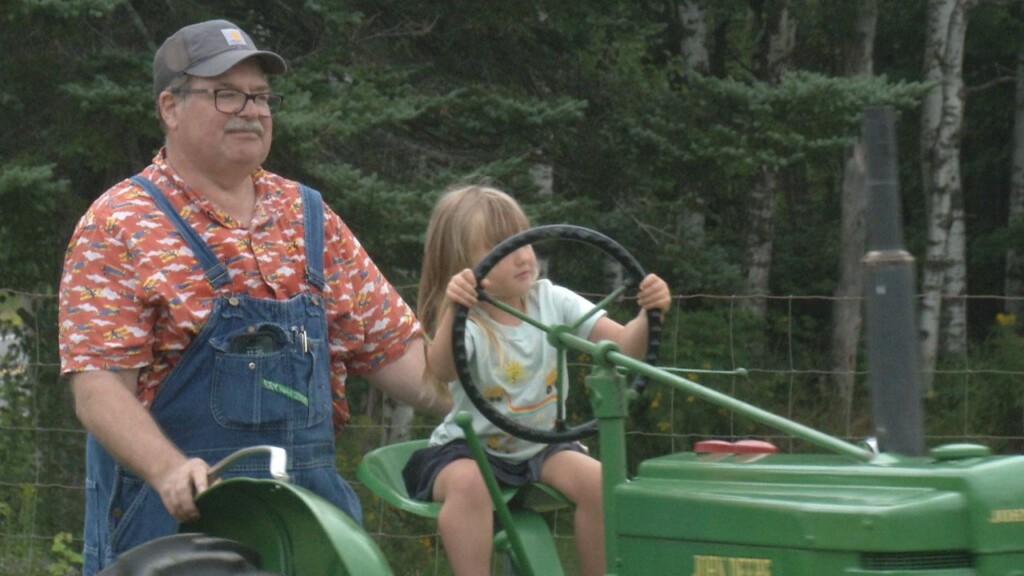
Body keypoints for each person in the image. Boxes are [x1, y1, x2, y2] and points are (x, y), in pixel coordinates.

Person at [57, 19, 448, 575]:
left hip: (307, 534)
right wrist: (169, 469)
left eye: (262, 97)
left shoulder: (309, 216)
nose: (253, 110)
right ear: (169, 107)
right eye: (228, 94)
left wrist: (498, 413)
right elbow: (98, 390)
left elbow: (401, 358)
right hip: (181, 533)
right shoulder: (120, 224)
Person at [401, 185, 672, 576]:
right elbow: (442, 369)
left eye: (523, 240)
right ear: (464, 267)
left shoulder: (553, 301)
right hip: (472, 449)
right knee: (469, 486)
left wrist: (650, 314)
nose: (522, 256)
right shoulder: (470, 321)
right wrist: (454, 307)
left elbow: (627, 347)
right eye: (501, 249)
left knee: (601, 483)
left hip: (541, 445)